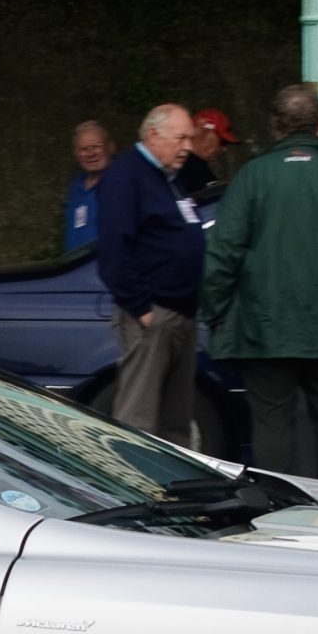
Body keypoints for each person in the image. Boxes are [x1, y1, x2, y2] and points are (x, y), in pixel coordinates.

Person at [201, 84, 318, 483]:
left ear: (275, 125)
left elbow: (222, 253)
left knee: (272, 424)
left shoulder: (253, 177)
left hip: (264, 327)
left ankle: (278, 507)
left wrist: (216, 313)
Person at [92, 102, 205, 443]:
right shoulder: (126, 175)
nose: (188, 147)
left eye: (190, 139)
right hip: (153, 314)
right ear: (154, 135)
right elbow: (114, 249)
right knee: (138, 422)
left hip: (181, 313)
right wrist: (141, 308)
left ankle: (174, 479)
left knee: (176, 422)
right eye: (181, 138)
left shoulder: (169, 179)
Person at [61, 119, 115, 253]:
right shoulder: (76, 187)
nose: (91, 154)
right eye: (83, 149)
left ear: (110, 147)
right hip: (75, 264)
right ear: (76, 153)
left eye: (96, 146)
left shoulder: (122, 184)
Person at [186, 106, 243, 191]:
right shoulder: (183, 167)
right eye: (223, 142)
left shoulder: (196, 166)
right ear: (204, 133)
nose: (224, 149)